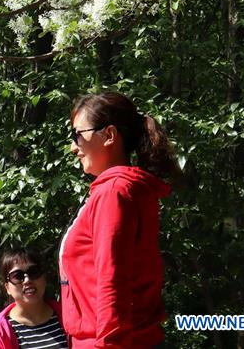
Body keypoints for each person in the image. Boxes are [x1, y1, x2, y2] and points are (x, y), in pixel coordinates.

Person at [59, 92, 181, 349]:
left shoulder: (114, 193)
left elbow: (111, 282)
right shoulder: (121, 190)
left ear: (110, 135)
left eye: (77, 135)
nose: (73, 146)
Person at [0, 246, 68, 349]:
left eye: (33, 272)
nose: (27, 280)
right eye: (17, 276)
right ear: (7, 288)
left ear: (44, 278)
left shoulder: (69, 316)